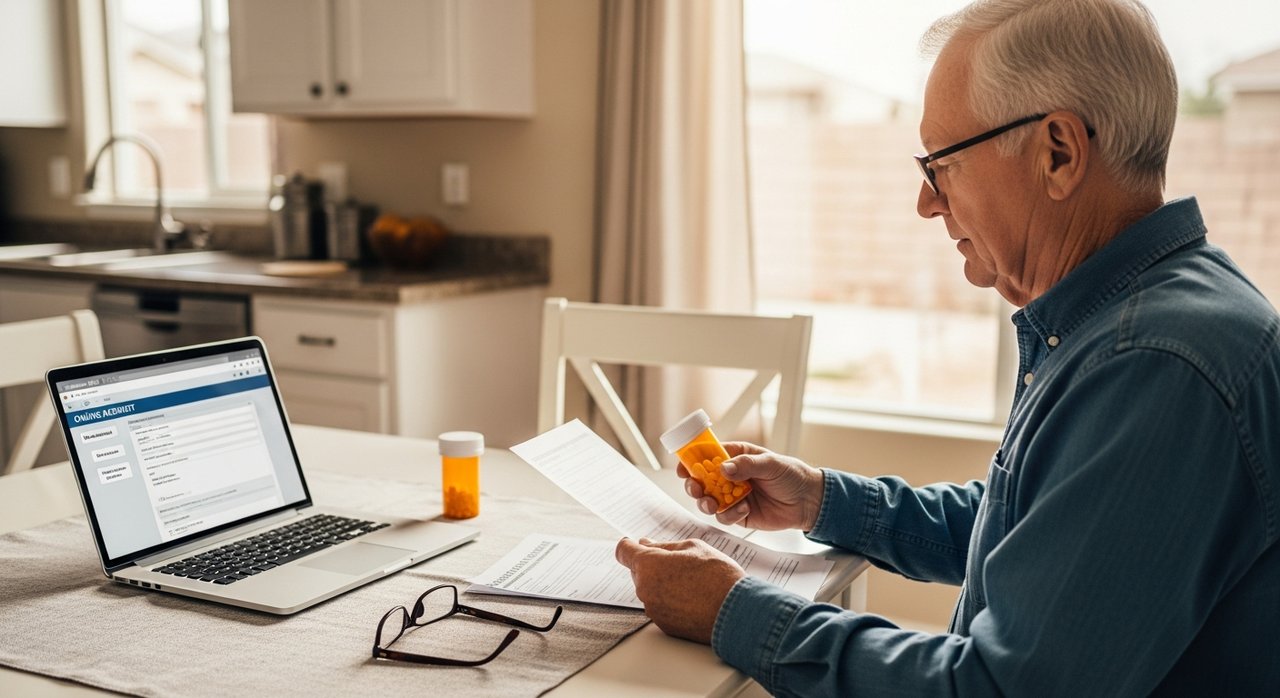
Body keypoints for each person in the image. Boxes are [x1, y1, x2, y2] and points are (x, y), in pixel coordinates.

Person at [614, 0, 1280, 694]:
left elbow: (997, 689)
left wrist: (732, 609)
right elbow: (1033, 536)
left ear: (1058, 151)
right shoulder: (1143, 316)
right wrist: (820, 500)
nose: (926, 203)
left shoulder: (1155, 365)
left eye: (942, 164)